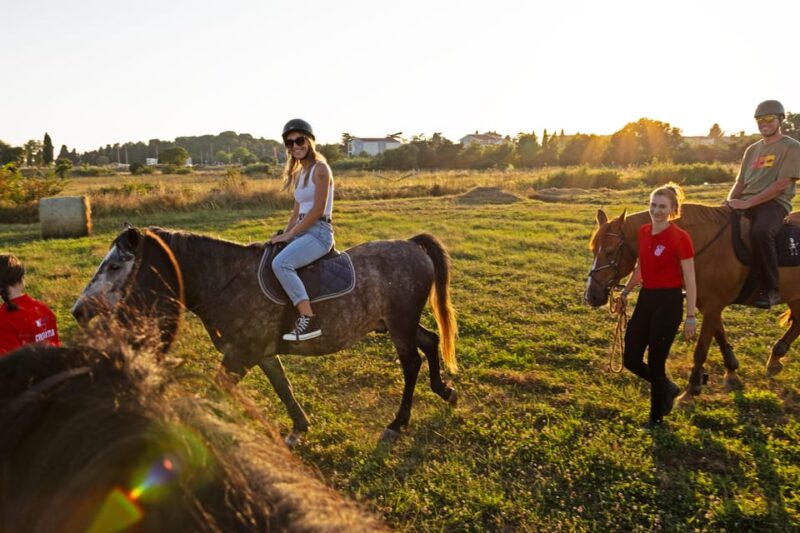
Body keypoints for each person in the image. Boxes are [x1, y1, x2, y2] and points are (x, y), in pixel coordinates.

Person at [620, 183, 697, 430]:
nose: (657, 210)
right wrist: (626, 290)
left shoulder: (680, 238)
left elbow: (691, 279)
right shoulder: (643, 231)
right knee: (631, 358)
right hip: (647, 299)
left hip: (669, 302)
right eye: (653, 205)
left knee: (656, 361)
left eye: (663, 206)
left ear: (673, 209)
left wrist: (691, 316)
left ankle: (656, 419)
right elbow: (642, 267)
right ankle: (666, 387)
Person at [725, 99, 800, 309]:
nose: (764, 123)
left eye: (769, 119)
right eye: (759, 120)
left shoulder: (791, 147)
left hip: (774, 203)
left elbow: (782, 184)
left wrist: (747, 203)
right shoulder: (752, 150)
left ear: (780, 120)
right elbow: (740, 182)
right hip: (747, 200)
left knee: (761, 232)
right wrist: (730, 202)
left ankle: (771, 288)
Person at [270, 119, 335, 342]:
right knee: (269, 254)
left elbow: (317, 210)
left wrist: (291, 234)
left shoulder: (321, 169)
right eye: (290, 143)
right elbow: (295, 213)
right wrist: (283, 234)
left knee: (281, 263)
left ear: (310, 141)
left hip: (319, 232)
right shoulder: (299, 175)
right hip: (303, 230)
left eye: (299, 140)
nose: (295, 146)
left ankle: (308, 318)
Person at [0, 253, 60, 355]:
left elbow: (8, 364)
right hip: (55, 369)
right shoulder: (43, 309)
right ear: (21, 279)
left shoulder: (3, 319)